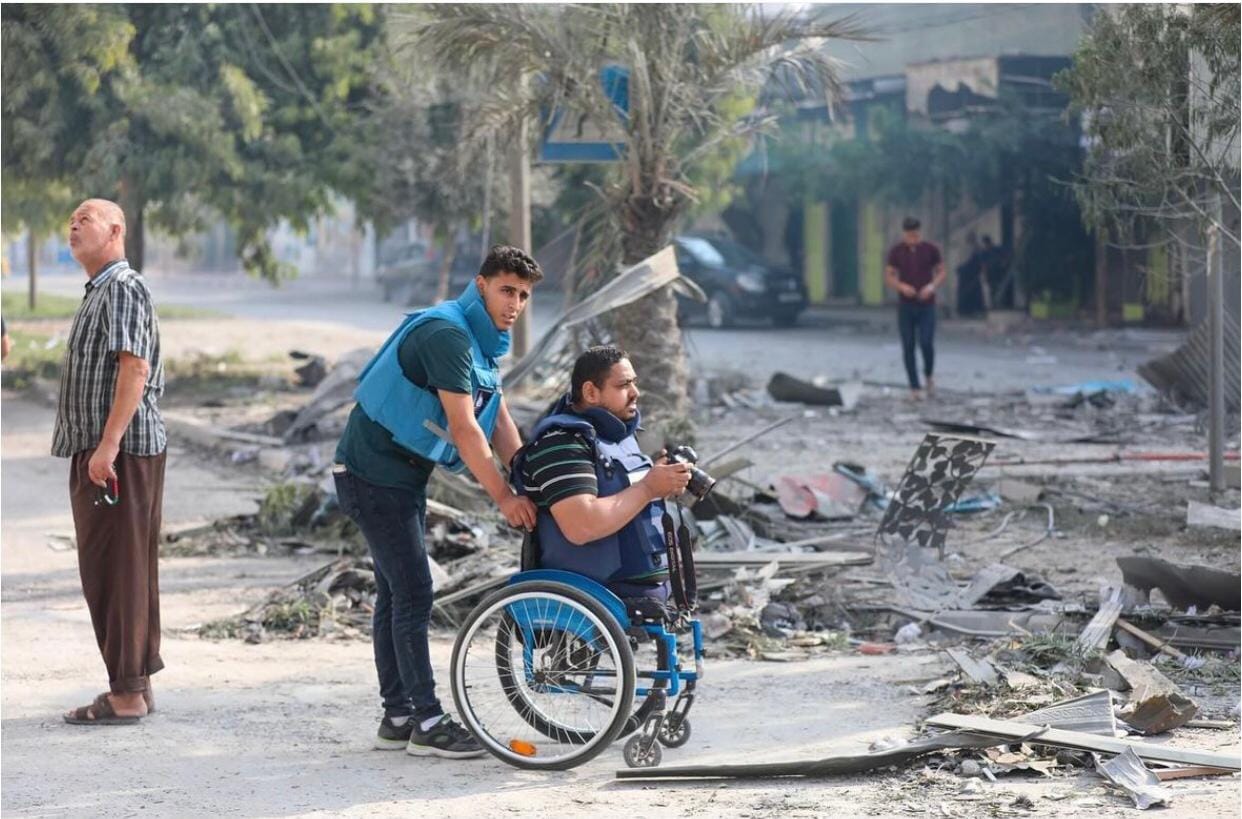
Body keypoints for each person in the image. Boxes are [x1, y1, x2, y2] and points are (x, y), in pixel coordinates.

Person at [333, 245, 542, 759]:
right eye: (506, 290)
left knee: (395, 594)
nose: (514, 304)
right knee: (414, 593)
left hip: (398, 478)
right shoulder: (449, 335)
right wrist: (504, 498)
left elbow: (497, 414)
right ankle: (427, 722)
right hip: (372, 476)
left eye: (524, 295)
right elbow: (466, 430)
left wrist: (532, 481)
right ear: (480, 284)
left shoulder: (480, 338)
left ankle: (398, 716)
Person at [57, 199, 166, 725]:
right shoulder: (101, 290)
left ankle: (125, 693)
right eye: (72, 219)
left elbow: (134, 367)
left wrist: (106, 447)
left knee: (115, 570)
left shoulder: (122, 287)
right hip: (109, 450)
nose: (74, 224)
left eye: (86, 217)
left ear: (116, 230)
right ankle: (134, 685)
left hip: (117, 453)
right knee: (120, 568)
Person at [512, 346, 692, 609]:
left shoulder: (619, 438)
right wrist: (648, 488)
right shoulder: (561, 444)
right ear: (590, 392)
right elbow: (581, 526)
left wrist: (664, 482)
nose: (635, 393)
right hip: (596, 588)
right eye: (623, 385)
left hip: (641, 584)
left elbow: (625, 494)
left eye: (634, 383)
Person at [884, 217, 945, 400]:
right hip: (906, 305)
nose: (913, 239)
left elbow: (942, 271)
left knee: (926, 342)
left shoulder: (930, 249)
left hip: (927, 304)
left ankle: (928, 375)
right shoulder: (896, 252)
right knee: (908, 345)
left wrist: (932, 287)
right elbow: (889, 276)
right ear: (904, 234)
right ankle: (914, 387)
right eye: (910, 236)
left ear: (920, 232)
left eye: (916, 235)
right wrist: (901, 287)